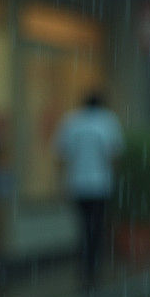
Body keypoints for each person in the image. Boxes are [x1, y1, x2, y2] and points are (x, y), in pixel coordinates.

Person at [54, 90, 124, 285]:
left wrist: (62, 181)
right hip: (100, 184)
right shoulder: (107, 121)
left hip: (77, 183)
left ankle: (85, 261)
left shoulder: (71, 121)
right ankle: (93, 262)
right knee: (96, 224)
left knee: (83, 224)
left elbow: (61, 154)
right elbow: (114, 153)